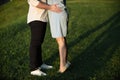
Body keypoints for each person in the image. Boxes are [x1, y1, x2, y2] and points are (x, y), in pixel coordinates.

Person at [27, 0, 61, 76]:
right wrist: (50, 7)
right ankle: (33, 68)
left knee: (39, 42)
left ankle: (39, 63)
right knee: (35, 43)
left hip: (42, 19)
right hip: (36, 18)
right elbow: (35, 2)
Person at [48, 0, 71, 73]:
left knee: (61, 40)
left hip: (57, 12)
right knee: (61, 40)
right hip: (55, 13)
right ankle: (65, 62)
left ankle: (62, 66)